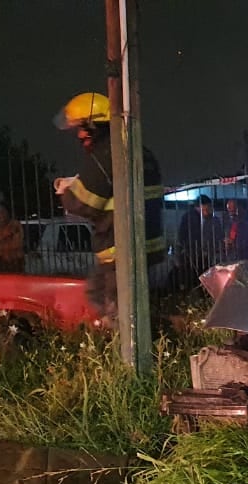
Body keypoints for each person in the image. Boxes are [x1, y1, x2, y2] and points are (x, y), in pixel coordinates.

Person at [53, 92, 167, 323]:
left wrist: (66, 189)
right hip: (145, 246)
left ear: (95, 125)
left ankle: (131, 352)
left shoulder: (107, 154)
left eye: (82, 128)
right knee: (104, 296)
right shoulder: (138, 151)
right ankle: (148, 337)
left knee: (119, 313)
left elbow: (84, 204)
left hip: (121, 250)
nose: (80, 135)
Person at [175, 195, 225, 283]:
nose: (209, 210)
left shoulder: (212, 219)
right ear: (199, 207)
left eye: (209, 207)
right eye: (206, 208)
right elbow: (182, 237)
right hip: (192, 254)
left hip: (206, 254)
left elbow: (218, 236)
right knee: (195, 277)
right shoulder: (189, 218)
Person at [0, 201, 24, 273]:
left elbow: (16, 243)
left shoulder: (15, 225)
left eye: (2, 211)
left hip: (14, 260)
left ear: (8, 213)